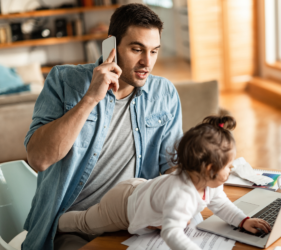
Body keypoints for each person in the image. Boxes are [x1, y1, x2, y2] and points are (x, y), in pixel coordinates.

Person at [22, 4, 183, 250]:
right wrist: (90, 99)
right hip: (72, 227)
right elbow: (39, 159)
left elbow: (172, 167)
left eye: (154, 51)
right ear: (112, 46)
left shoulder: (164, 93)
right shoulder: (64, 81)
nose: (146, 62)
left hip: (134, 224)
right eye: (137, 49)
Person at [57, 116, 272, 250]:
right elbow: (172, 233)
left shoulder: (208, 183)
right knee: (86, 222)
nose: (231, 169)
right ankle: (57, 223)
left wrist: (243, 221)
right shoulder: (182, 194)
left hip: (140, 190)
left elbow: (221, 204)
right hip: (121, 207)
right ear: (209, 169)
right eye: (228, 165)